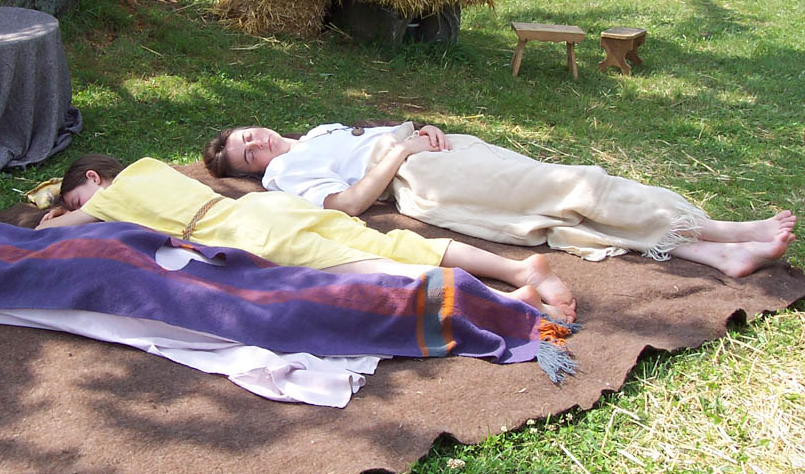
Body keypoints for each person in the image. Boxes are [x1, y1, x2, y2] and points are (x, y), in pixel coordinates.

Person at [204, 122, 796, 278]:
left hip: (432, 150)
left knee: (551, 204)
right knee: (574, 185)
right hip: (418, 175)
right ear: (254, 172)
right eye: (247, 156)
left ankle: (710, 253)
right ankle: (723, 230)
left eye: (248, 136)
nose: (257, 146)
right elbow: (349, 204)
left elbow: (381, 137)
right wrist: (404, 151)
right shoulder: (285, 172)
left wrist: (421, 130)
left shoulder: (316, 134)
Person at [36, 154, 577, 321]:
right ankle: (518, 268)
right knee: (389, 245)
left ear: (93, 180)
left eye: (79, 200)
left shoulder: (105, 199)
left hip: (244, 229)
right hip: (264, 208)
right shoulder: (151, 166)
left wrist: (54, 216)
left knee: (368, 270)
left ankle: (507, 301)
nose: (88, 212)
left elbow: (52, 234)